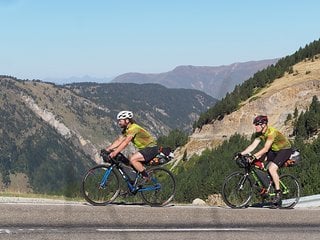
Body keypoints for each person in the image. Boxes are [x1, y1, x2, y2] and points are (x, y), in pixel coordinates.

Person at [241, 115, 292, 207]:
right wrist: (241, 154)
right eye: (255, 125)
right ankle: (265, 184)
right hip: (274, 150)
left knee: (272, 169)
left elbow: (265, 149)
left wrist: (253, 156)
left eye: (257, 125)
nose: (255, 127)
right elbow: (252, 146)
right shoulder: (259, 133)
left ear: (263, 125)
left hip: (284, 150)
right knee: (256, 162)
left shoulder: (271, 132)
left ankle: (278, 192)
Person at [104, 110, 158, 181]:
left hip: (151, 148)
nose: (119, 122)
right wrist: (107, 149)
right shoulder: (127, 130)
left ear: (127, 120)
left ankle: (146, 177)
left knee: (133, 159)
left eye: (120, 120)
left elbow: (125, 142)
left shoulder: (133, 128)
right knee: (128, 161)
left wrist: (114, 153)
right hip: (145, 149)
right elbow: (119, 141)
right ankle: (137, 179)